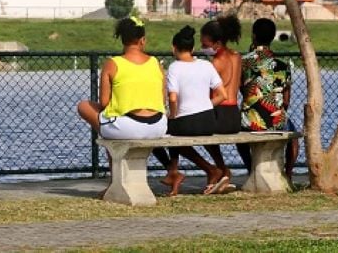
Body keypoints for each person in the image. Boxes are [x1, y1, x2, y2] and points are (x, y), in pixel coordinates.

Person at [152, 26, 230, 196]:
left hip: (187, 122)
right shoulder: (206, 65)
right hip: (209, 121)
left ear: (173, 47)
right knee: (175, 134)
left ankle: (204, 170)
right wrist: (206, 105)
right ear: (193, 49)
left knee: (162, 132)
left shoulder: (174, 67)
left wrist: (172, 115)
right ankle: (177, 173)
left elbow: (172, 98)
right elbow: (223, 95)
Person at [77, 16, 167, 141]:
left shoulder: (112, 64)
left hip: (127, 128)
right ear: (143, 40)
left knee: (83, 106)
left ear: (122, 40)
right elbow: (163, 100)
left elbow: (104, 103)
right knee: (109, 122)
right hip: (158, 126)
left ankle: (113, 157)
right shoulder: (155, 63)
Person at [236, 18, 299, 182]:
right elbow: (286, 100)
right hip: (276, 120)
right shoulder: (284, 65)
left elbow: (242, 90)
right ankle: (289, 174)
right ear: (272, 38)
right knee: (294, 140)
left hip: (249, 121)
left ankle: (251, 169)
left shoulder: (243, 62)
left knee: (238, 134)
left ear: (254, 36)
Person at [198, 14, 242, 184]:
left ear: (217, 43)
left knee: (197, 128)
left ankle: (220, 169)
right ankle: (222, 170)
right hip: (234, 115)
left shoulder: (215, 63)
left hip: (220, 114)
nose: (202, 47)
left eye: (204, 44)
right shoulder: (237, 57)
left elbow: (209, 91)